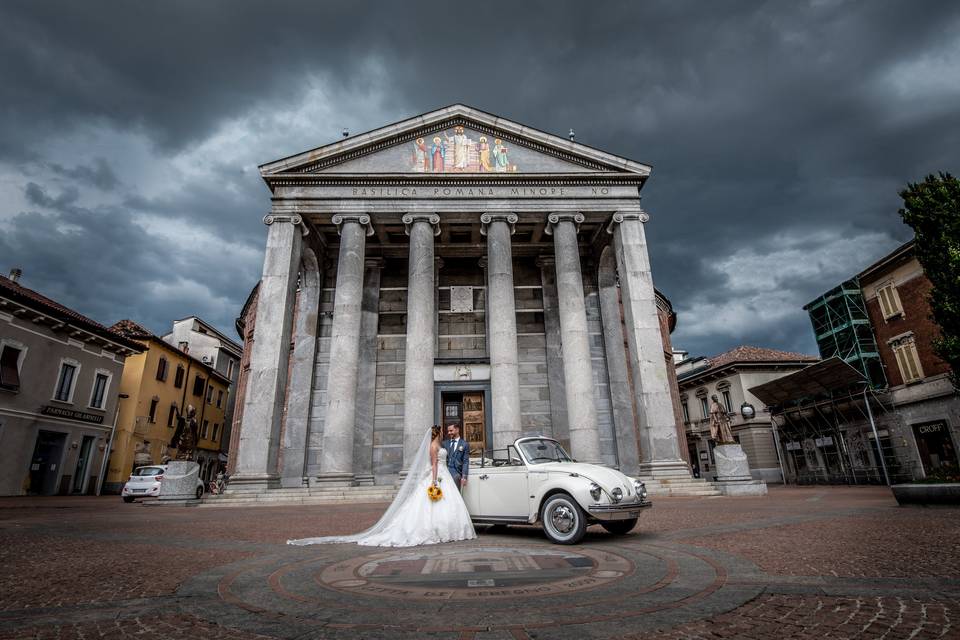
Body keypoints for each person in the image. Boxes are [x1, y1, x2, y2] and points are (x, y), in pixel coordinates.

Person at [287, 425, 476, 547]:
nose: (446, 433)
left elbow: (450, 460)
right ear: (439, 433)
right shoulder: (435, 447)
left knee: (443, 504)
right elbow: (434, 464)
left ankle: (444, 529)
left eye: (449, 431)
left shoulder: (443, 444)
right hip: (439, 475)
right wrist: (434, 480)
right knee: (435, 505)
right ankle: (441, 530)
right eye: (444, 431)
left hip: (446, 475)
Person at [443, 423, 469, 492]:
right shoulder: (444, 443)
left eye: (451, 431)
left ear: (457, 430)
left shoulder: (464, 444)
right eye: (448, 431)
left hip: (456, 473)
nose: (449, 433)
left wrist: (464, 476)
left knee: (455, 493)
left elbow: (465, 461)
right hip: (444, 472)